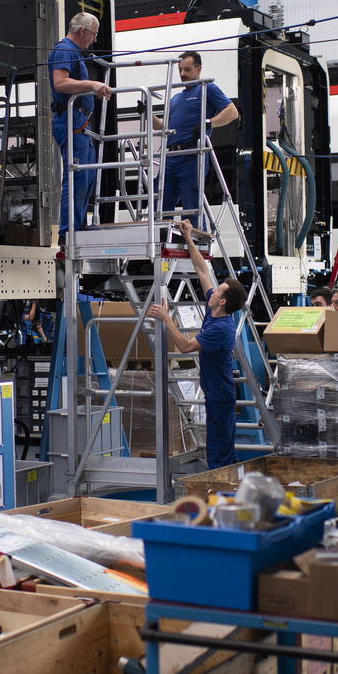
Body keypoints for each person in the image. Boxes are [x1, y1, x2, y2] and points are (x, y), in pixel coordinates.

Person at [149, 219, 248, 470]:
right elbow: (202, 270)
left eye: (218, 291)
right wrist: (188, 236)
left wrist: (166, 318)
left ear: (223, 302)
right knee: (224, 450)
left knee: (218, 453)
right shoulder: (214, 309)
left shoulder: (221, 329)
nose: (213, 291)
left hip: (220, 398)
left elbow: (184, 346)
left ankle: (221, 501)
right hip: (216, 393)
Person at [153, 51, 239, 228]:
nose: (183, 74)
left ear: (199, 69)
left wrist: (208, 123)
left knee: (192, 206)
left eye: (187, 69)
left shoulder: (207, 88)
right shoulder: (175, 98)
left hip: (192, 155)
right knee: (159, 205)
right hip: (170, 157)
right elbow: (163, 125)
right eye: (180, 70)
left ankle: (199, 245)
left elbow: (232, 112)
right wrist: (148, 113)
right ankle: (162, 239)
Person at [50, 12, 112, 238]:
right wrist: (93, 84)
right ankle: (69, 232)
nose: (94, 40)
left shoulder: (72, 52)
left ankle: (78, 226)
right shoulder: (65, 49)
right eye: (93, 34)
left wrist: (89, 91)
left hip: (79, 121)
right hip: (71, 120)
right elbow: (60, 83)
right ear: (83, 31)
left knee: (85, 175)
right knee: (76, 175)